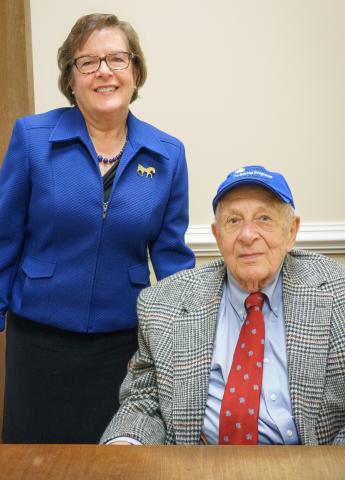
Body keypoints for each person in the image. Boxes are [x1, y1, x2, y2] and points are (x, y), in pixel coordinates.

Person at [0, 13, 194, 444]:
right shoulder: (32, 138)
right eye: (88, 62)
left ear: (136, 71)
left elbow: (171, 258)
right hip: (38, 342)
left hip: (121, 347)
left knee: (114, 460)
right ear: (70, 78)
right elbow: (4, 239)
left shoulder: (167, 154)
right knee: (34, 464)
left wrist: (187, 336)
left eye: (117, 59)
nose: (104, 71)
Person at [101, 165, 345, 446]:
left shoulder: (337, 295)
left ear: (291, 232)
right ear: (217, 236)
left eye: (264, 218)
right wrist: (125, 448)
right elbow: (144, 401)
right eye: (233, 221)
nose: (247, 235)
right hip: (198, 466)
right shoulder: (164, 303)